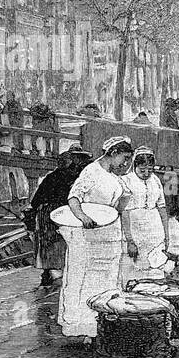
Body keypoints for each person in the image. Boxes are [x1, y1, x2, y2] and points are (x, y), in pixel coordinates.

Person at [59, 137, 135, 340]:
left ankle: (104, 326)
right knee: (87, 280)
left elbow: (118, 207)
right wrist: (83, 217)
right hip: (89, 234)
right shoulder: (92, 172)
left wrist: (122, 202)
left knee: (108, 279)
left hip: (109, 234)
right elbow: (74, 198)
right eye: (125, 158)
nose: (126, 164)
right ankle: (85, 328)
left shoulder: (116, 177)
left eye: (129, 160)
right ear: (113, 152)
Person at [25, 146, 92, 286]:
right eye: (76, 158)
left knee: (61, 244)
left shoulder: (79, 176)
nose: (79, 161)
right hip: (53, 213)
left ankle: (57, 273)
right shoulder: (58, 176)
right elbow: (38, 199)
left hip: (65, 213)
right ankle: (50, 274)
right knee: (52, 244)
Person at [121, 147, 171, 280]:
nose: (147, 173)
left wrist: (166, 234)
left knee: (155, 265)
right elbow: (124, 213)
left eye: (150, 169)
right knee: (135, 267)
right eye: (142, 170)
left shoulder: (155, 181)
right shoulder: (126, 181)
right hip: (135, 228)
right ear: (135, 166)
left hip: (154, 229)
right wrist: (130, 240)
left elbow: (162, 208)